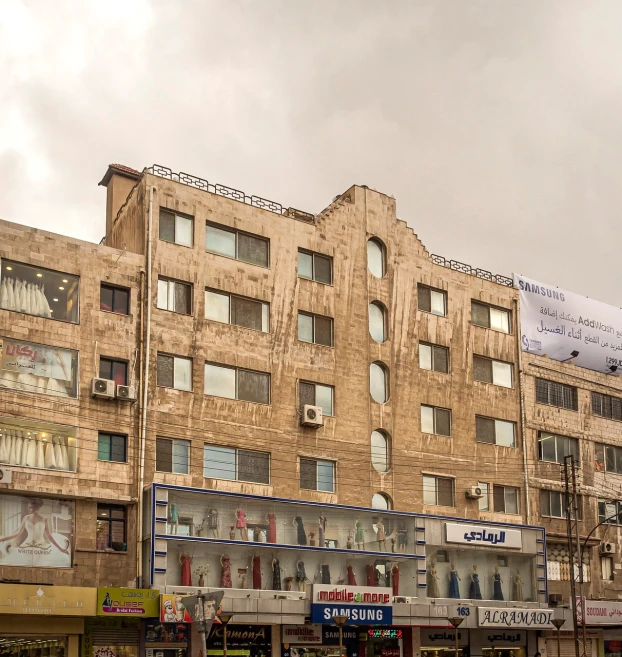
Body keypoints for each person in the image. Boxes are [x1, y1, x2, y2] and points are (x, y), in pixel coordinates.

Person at [0, 498, 70, 567]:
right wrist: (4, 539)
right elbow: (18, 533)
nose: (28, 509)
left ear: (37, 508)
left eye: (30, 507)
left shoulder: (44, 519)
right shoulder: (26, 518)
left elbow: (49, 536)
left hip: (41, 546)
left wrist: (60, 548)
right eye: (28, 507)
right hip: (27, 545)